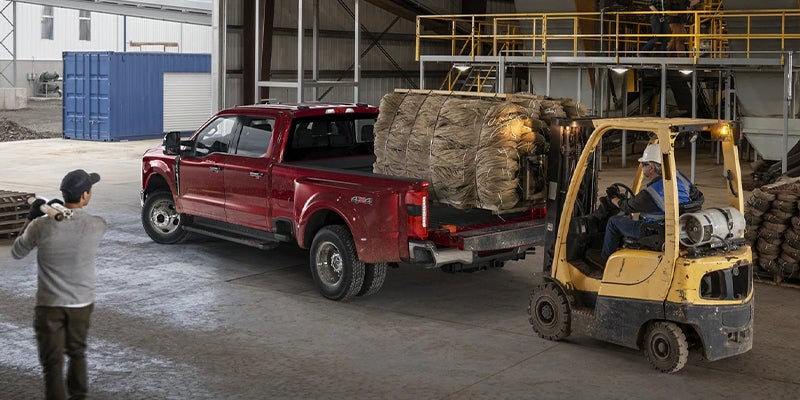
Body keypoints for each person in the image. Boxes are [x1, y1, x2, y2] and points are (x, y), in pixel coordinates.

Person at [11, 169, 107, 400]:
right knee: (77, 353)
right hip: (81, 304)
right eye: (90, 190)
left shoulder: (40, 226)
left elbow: (17, 251)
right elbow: (84, 222)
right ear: (84, 195)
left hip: (49, 305)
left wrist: (31, 218)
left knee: (52, 364)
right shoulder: (96, 225)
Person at [600, 144, 700, 262]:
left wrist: (613, 198)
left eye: (643, 164)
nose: (642, 167)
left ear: (651, 167)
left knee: (613, 222)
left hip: (653, 230)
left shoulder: (651, 193)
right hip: (679, 227)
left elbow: (626, 206)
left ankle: (605, 261)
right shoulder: (679, 178)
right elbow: (699, 197)